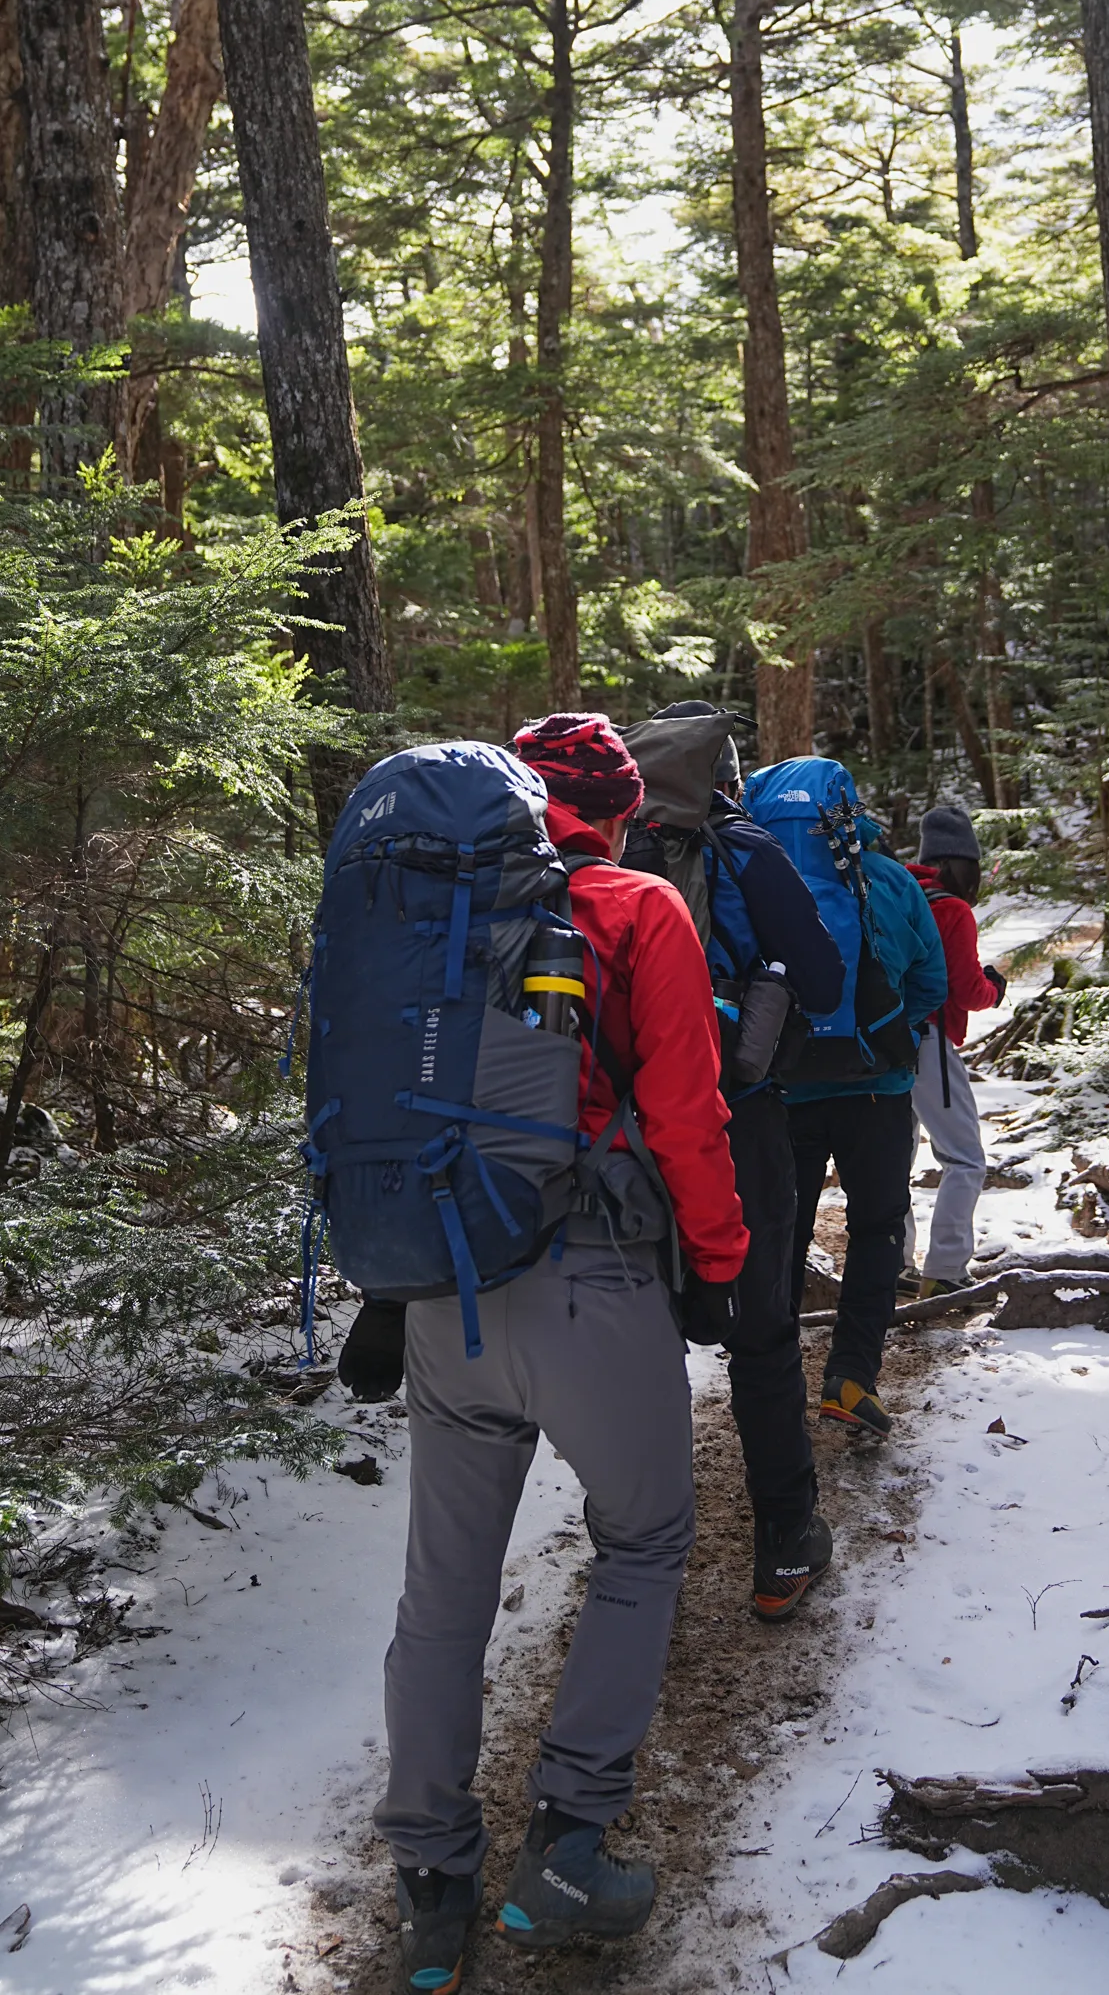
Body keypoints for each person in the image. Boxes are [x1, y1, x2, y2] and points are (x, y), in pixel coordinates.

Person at [372, 712, 747, 1988]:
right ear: (623, 811)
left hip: (445, 1295)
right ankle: (568, 1848)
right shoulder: (638, 907)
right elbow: (691, 1115)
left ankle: (431, 1880)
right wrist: (723, 1265)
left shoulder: (433, 910)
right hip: (588, 1283)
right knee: (644, 1539)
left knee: (444, 1593)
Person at [631, 701, 847, 1623]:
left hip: (621, 1128)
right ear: (723, 773)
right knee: (762, 1337)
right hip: (737, 1114)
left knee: (642, 1343)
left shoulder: (602, 852)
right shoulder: (746, 848)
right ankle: (783, 1547)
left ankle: (641, 1563)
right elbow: (827, 980)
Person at [754, 759, 946, 1441]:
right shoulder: (889, 880)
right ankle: (851, 1379)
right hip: (879, 1092)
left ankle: (772, 1388)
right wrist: (893, 1034)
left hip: (788, 1089)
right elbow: (931, 977)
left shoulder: (755, 878)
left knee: (785, 1231)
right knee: (875, 1232)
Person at [907, 804, 1008, 1296]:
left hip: (882, 1044)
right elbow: (966, 990)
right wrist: (994, 987)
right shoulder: (952, 910)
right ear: (963, 863)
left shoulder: (901, 893)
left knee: (894, 1158)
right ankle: (945, 1270)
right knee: (965, 1158)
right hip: (928, 1043)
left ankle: (892, 1264)